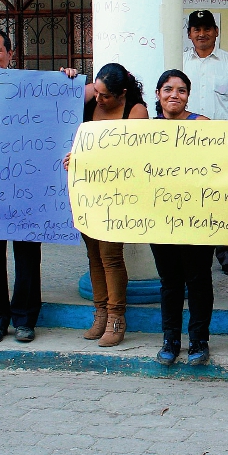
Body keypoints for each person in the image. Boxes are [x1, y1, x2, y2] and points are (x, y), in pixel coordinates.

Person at [0, 29, 78, 345]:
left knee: (27, 257)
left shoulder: (32, 89)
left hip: (27, 190)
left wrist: (67, 81)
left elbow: (60, 109)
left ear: (10, 55)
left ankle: (24, 319)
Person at [67, 62, 148, 348]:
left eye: (105, 96)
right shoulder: (92, 99)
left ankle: (116, 317)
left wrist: (85, 157)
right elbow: (58, 98)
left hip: (118, 193)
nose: (98, 99)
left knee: (110, 255)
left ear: (122, 93)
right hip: (87, 190)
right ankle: (100, 312)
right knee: (93, 255)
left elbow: (132, 155)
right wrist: (68, 79)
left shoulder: (136, 112)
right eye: (97, 93)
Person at [149, 69, 216, 368]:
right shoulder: (145, 131)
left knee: (199, 279)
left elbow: (219, 162)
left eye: (181, 90)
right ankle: (170, 339)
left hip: (197, 216)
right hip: (160, 217)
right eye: (168, 89)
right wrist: (80, 161)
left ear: (188, 95)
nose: (174, 95)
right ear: (158, 94)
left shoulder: (203, 125)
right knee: (170, 281)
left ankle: (199, 340)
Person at [183, 9, 228, 277]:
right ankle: (193, 249)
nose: (202, 34)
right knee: (191, 195)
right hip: (187, 143)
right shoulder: (180, 62)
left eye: (207, 29)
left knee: (227, 196)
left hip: (224, 144)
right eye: (196, 29)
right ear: (189, 34)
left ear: (216, 31)